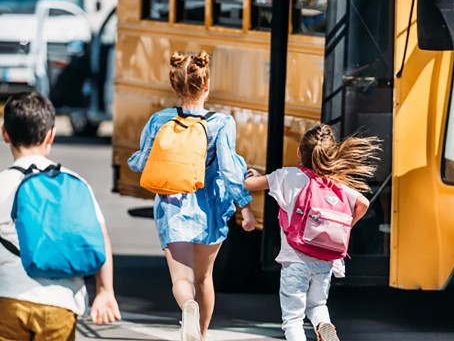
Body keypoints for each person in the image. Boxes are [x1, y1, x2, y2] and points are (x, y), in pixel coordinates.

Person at [128, 51, 256, 341]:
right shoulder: (222, 123)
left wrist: (135, 160)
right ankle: (201, 334)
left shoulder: (160, 119)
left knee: (182, 279)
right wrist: (245, 208)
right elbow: (230, 171)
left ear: (175, 86)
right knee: (204, 278)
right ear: (206, 85)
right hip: (210, 208)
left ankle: (187, 307)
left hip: (173, 206)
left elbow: (141, 162)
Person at [0, 91, 121, 341]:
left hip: (7, 298)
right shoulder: (75, 182)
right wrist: (105, 290)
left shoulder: (2, 183)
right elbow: (100, 238)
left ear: (5, 134)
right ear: (51, 135)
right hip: (61, 302)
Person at [244, 123, 380, 341]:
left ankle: (319, 327)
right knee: (317, 305)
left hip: (295, 260)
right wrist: (346, 226)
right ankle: (324, 325)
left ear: (299, 152)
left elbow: (249, 184)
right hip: (324, 260)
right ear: (330, 155)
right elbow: (363, 203)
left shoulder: (287, 176)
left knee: (293, 319)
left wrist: (254, 174)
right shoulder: (335, 184)